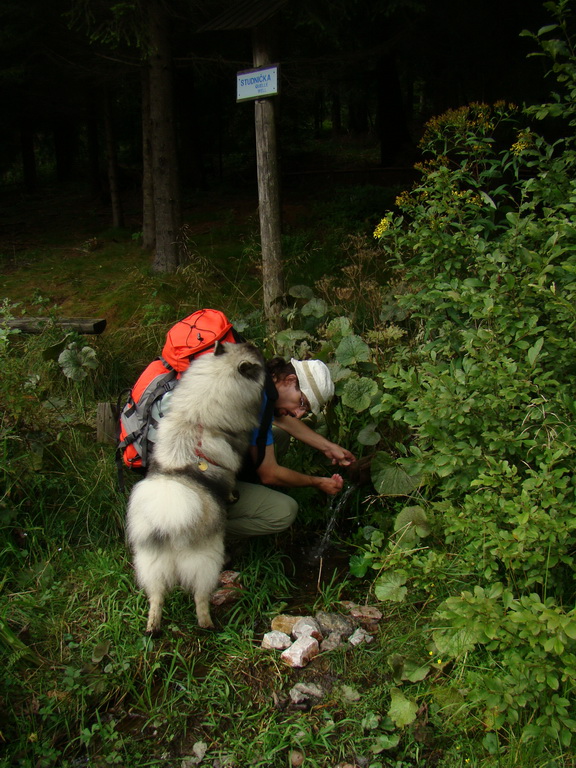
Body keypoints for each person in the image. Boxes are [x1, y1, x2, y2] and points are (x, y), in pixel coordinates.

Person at [227, 356, 356, 539]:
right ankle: (202, 536)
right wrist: (317, 482)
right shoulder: (256, 402)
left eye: (306, 410)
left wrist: (328, 447)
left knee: (279, 436)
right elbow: (269, 474)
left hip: (190, 455)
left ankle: (242, 487)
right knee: (284, 512)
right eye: (302, 403)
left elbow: (282, 420)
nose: (298, 414)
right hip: (190, 483)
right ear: (290, 380)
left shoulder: (255, 377)